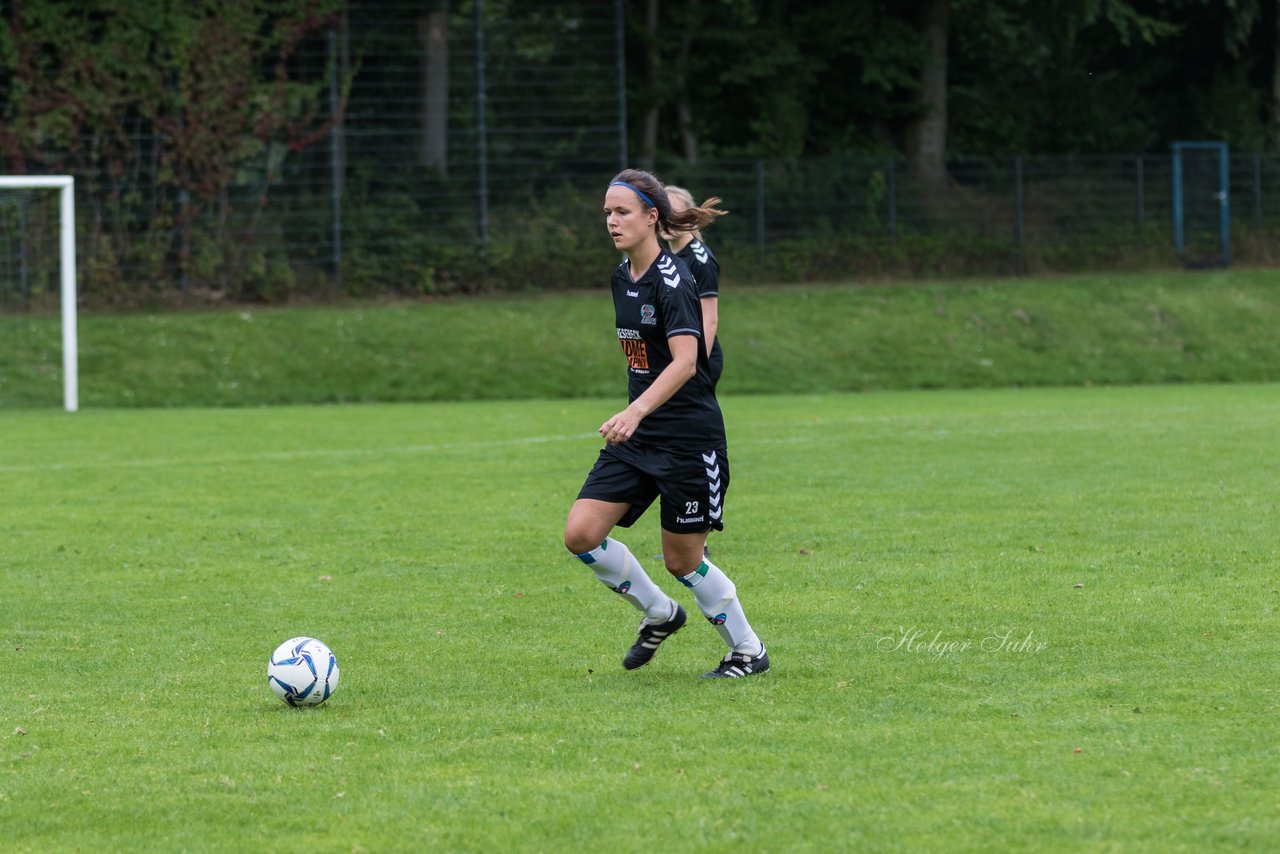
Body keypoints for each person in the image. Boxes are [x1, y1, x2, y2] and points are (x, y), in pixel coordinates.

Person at [562, 168, 769, 678]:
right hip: (639, 438)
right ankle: (659, 612)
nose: (611, 221)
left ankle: (748, 650)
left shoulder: (674, 281)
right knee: (581, 534)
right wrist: (636, 416)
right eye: (607, 213)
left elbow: (685, 360)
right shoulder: (621, 276)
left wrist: (635, 410)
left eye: (622, 212)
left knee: (682, 560)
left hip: (687, 441)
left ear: (652, 218)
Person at [663, 185, 723, 389]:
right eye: (664, 214)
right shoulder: (667, 260)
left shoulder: (700, 259)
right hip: (677, 360)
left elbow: (710, 319)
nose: (668, 221)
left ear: (690, 217)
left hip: (697, 361)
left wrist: (696, 366)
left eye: (675, 214)